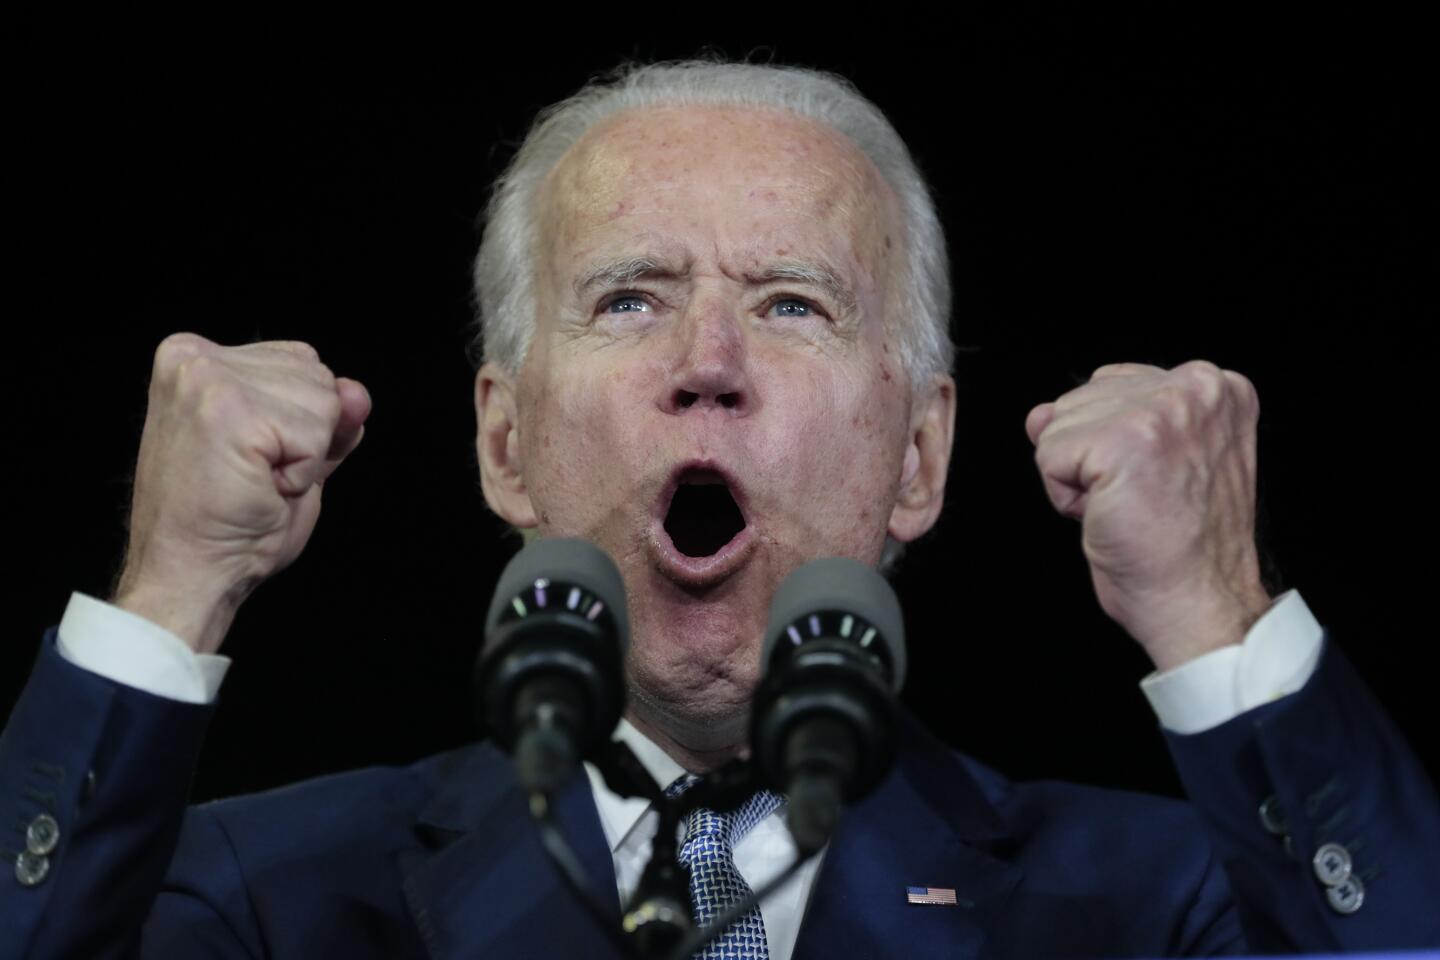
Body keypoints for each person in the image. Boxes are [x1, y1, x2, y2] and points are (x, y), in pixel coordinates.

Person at [2, 59, 1436, 958]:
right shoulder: (268, 896)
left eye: (792, 304)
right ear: (504, 446)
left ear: (919, 458)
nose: (707, 367)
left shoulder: (1158, 904)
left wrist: (1211, 617)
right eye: (630, 298)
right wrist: (171, 588)